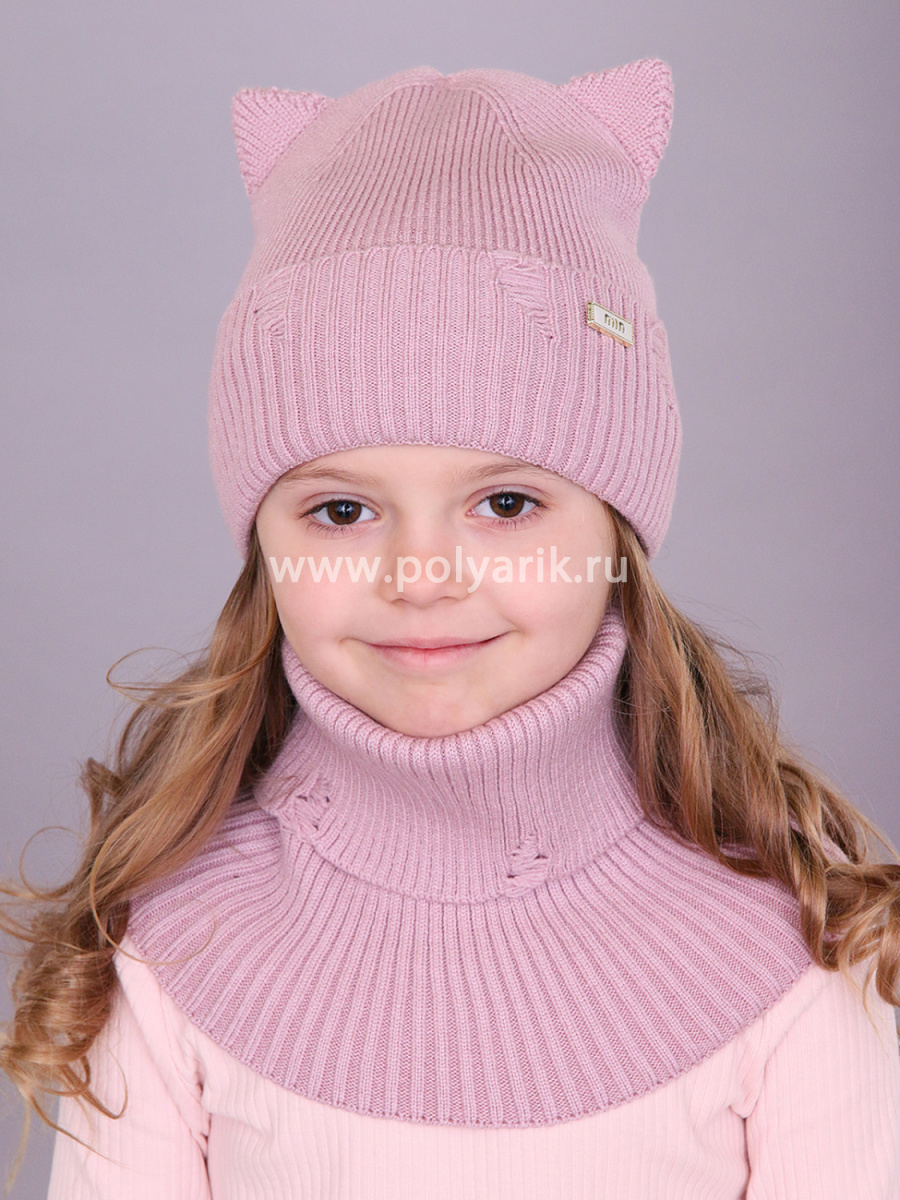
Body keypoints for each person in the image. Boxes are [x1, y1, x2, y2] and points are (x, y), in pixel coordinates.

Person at [2, 58, 899, 1199]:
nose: (420, 578)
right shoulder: (177, 934)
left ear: (618, 533)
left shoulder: (799, 938)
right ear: (263, 545)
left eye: (507, 504)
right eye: (342, 511)